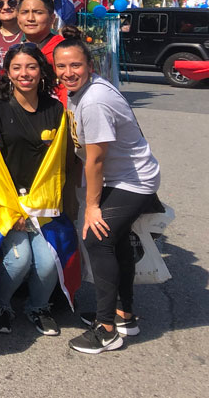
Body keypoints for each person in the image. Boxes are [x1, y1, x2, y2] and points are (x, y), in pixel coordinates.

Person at [55, 30, 162, 354]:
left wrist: (91, 206)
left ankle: (106, 331)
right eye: (61, 66)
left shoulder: (94, 101)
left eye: (75, 65)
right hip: (122, 177)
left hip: (132, 180)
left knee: (97, 238)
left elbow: (96, 159)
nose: (68, 72)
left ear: (90, 65)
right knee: (116, 242)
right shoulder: (81, 91)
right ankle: (124, 315)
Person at [0, 43, 67, 337]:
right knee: (19, 260)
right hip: (5, 201)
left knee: (46, 262)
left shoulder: (55, 109)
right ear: (8, 71)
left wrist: (47, 204)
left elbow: (58, 164)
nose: (24, 73)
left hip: (42, 203)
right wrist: (11, 209)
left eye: (31, 66)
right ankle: (0, 305)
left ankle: (38, 307)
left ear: (41, 70)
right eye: (16, 67)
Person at [18, 0, 66, 103]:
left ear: (52, 18)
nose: (30, 18)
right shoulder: (16, 51)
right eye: (24, 12)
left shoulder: (65, 51)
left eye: (38, 12)